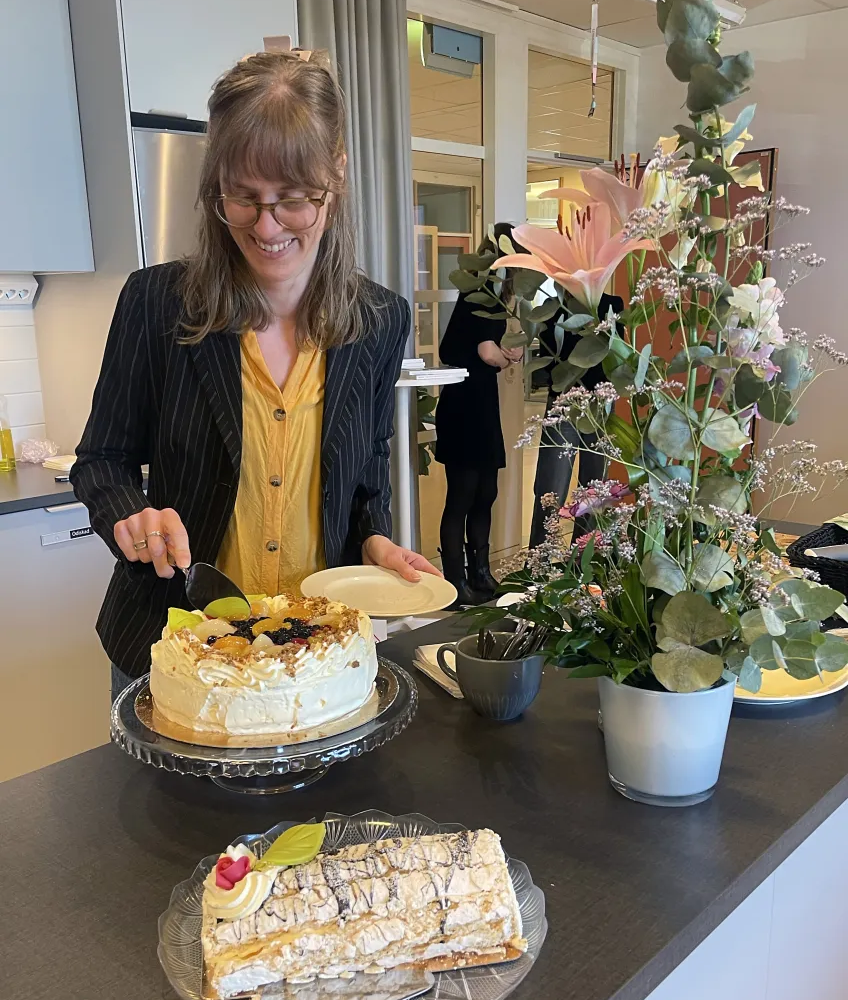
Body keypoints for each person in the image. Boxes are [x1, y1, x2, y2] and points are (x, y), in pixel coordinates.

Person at [71, 49, 437, 697]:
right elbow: (101, 460)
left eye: (293, 201)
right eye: (242, 198)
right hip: (175, 648)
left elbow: (366, 475)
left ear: (338, 176)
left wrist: (376, 540)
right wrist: (130, 515)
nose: (266, 227)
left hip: (313, 654)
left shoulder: (380, 321)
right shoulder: (157, 305)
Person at [433, 224, 525, 606]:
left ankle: (481, 574)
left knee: (484, 492)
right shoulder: (480, 295)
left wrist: (504, 356)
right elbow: (488, 353)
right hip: (465, 406)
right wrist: (509, 357)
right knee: (464, 495)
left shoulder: (485, 294)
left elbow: (488, 352)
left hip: (479, 404)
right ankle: (455, 582)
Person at [528, 292, 624, 547]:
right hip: (564, 403)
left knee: (594, 490)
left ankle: (584, 559)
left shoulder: (611, 305)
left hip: (601, 404)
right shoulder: (554, 307)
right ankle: (540, 559)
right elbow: (551, 357)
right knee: (550, 486)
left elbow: (618, 357)